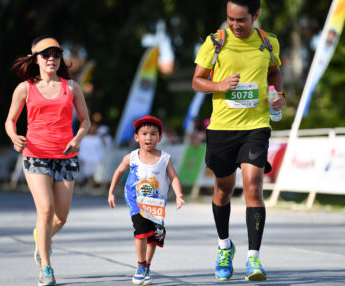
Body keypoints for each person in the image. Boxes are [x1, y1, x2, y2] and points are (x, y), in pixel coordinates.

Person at [192, 0, 285, 282]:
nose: (234, 25)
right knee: (223, 191)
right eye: (230, 19)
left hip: (256, 126)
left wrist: (278, 95)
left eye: (241, 20)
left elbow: (274, 72)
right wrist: (218, 85)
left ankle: (253, 258)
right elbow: (197, 80)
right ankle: (224, 247)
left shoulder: (269, 42)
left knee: (253, 188)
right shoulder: (215, 42)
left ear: (255, 16)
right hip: (222, 129)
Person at [5, 36, 90, 286]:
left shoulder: (72, 86)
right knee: (46, 210)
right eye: (45, 54)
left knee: (60, 218)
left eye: (56, 53)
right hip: (36, 154)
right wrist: (14, 137)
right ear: (36, 59)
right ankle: (46, 267)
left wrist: (78, 138)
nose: (51, 58)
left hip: (65, 155)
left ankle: (41, 238)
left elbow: (85, 120)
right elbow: (10, 120)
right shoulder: (24, 88)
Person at [108, 115, 185, 285]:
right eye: (144, 134)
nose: (148, 137)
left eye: (153, 134)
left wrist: (179, 195)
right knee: (141, 232)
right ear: (136, 137)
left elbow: (174, 178)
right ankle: (141, 265)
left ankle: (147, 266)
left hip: (156, 204)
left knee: (154, 237)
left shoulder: (165, 158)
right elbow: (119, 172)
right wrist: (111, 191)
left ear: (160, 138)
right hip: (136, 201)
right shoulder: (131, 157)